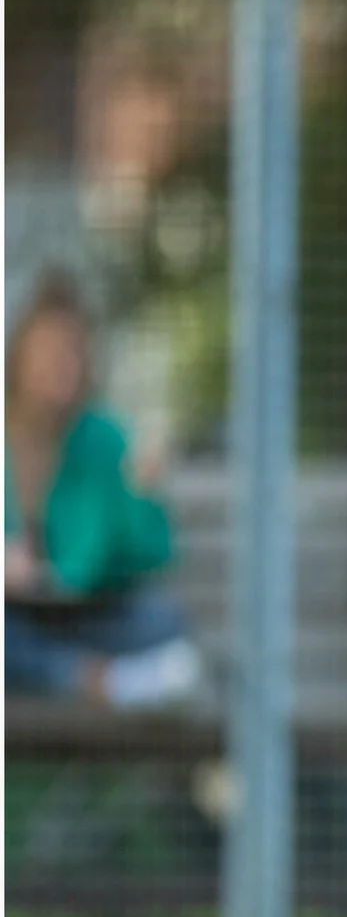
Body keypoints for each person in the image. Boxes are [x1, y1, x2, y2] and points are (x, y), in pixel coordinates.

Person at [4, 277, 202, 708]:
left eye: (72, 353)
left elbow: (155, 554)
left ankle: (84, 673)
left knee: (166, 622)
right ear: (19, 356)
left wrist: (142, 499)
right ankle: (96, 679)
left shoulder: (106, 438)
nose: (62, 366)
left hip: (88, 614)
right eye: (49, 352)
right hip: (15, 616)